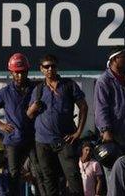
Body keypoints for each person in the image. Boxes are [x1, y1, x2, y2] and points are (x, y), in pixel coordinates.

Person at [27, 54, 88, 196]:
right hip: (43, 142)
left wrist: (78, 132)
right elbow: (29, 115)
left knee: (73, 176)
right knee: (49, 179)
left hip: (65, 140)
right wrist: (33, 108)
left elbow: (84, 107)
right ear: (41, 69)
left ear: (57, 67)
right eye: (46, 66)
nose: (50, 69)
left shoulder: (68, 85)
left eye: (52, 66)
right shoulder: (38, 90)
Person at [0, 52, 38, 196]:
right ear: (11, 73)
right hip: (13, 141)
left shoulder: (37, 89)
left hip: (33, 139)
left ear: (27, 71)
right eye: (16, 73)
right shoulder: (4, 92)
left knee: (39, 172)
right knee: (13, 176)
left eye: (22, 72)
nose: (20, 76)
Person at [94, 47, 125, 166]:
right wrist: (105, 130)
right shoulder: (104, 81)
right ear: (114, 59)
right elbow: (101, 107)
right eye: (123, 57)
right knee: (114, 170)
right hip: (112, 135)